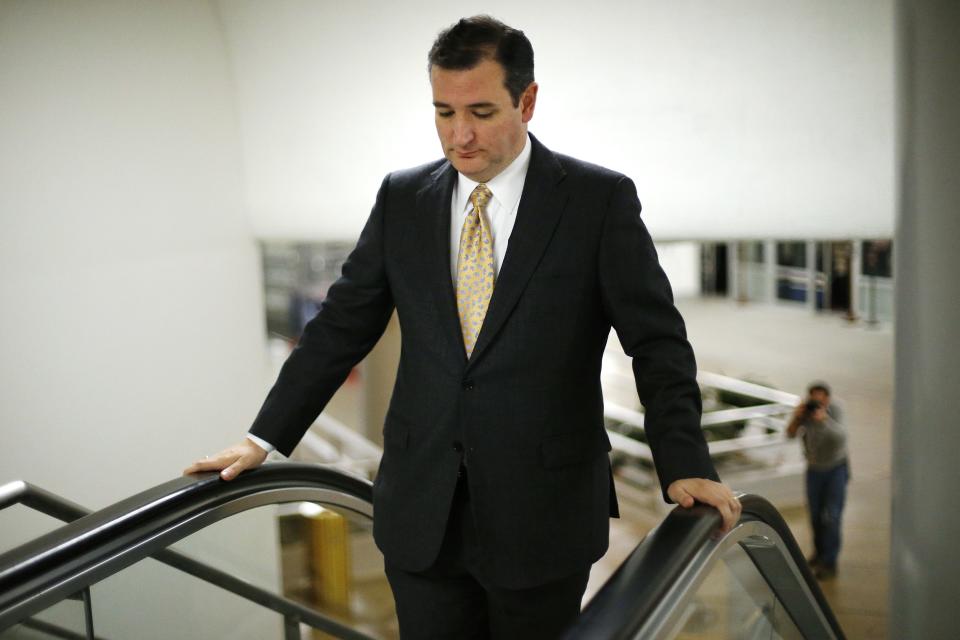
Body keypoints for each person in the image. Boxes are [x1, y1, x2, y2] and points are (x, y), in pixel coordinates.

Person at [185, 15, 741, 639]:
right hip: (422, 516)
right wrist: (263, 439)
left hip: (543, 519)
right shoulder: (402, 199)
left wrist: (684, 461)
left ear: (527, 101)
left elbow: (657, 342)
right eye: (443, 113)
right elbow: (340, 326)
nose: (461, 135)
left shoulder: (596, 201)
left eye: (480, 110)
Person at [786, 381, 849, 580]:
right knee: (814, 515)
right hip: (814, 470)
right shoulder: (805, 412)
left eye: (821, 400)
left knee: (832, 516)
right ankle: (818, 554)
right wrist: (797, 417)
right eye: (814, 399)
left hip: (835, 470)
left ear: (827, 399)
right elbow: (789, 434)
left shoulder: (835, 411)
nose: (817, 405)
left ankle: (830, 562)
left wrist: (824, 420)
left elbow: (841, 438)